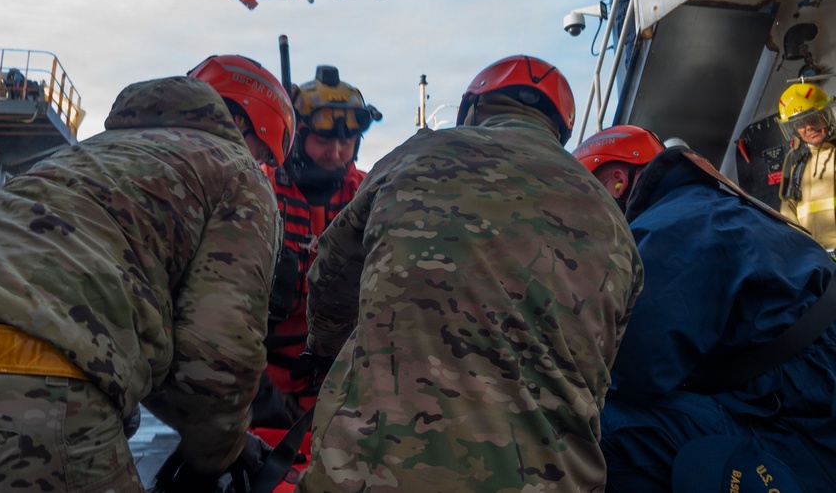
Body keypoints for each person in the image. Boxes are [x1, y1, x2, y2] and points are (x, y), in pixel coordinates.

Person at [0, 55, 296, 492]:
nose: (262, 167)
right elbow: (217, 358)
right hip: (13, 406)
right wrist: (217, 456)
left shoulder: (85, 154)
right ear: (243, 126)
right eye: (264, 154)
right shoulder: (236, 173)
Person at [294, 56, 644, 493]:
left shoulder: (415, 155)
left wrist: (325, 354)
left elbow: (330, 277)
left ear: (473, 110)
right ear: (560, 130)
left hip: (371, 474)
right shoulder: (615, 225)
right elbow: (600, 372)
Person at [573, 124, 836, 492]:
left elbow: (634, 366)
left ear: (617, 182)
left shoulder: (663, 228)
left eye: (585, 203)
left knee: (598, 423)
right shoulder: (713, 206)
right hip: (811, 397)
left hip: (801, 427)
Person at [253, 65, 379, 429]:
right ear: (297, 134)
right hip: (259, 382)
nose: (336, 152)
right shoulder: (256, 189)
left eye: (348, 142)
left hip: (341, 378)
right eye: (324, 140)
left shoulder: (370, 193)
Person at [777, 81, 836, 249]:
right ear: (794, 130)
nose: (809, 127)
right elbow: (788, 214)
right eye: (800, 123)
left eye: (813, 118)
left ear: (827, 116)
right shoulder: (794, 162)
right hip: (818, 259)